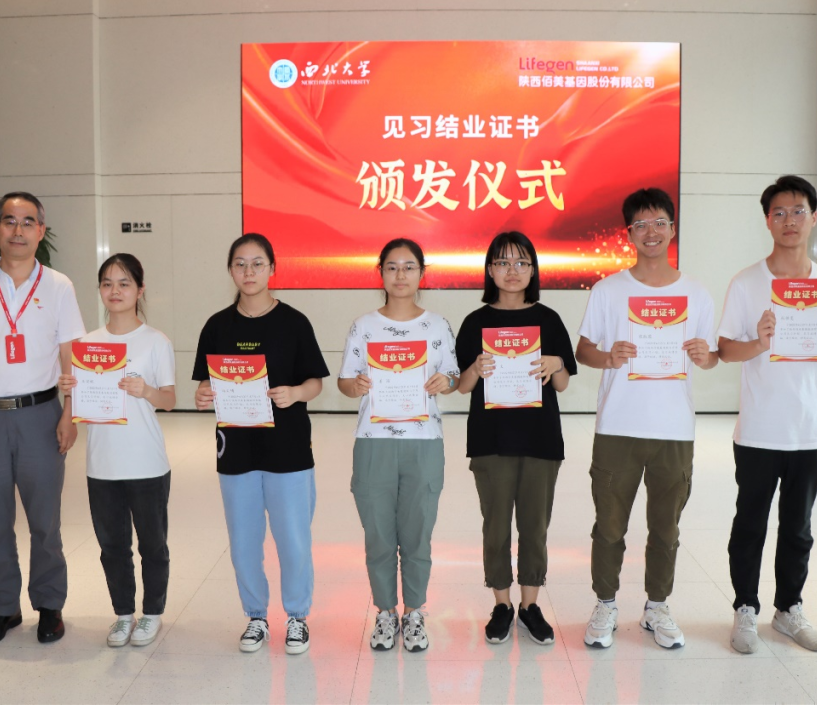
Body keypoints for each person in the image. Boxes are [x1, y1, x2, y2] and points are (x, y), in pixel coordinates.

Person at [718, 175, 817, 654]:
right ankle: (745, 608)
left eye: (798, 211)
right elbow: (725, 350)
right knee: (750, 524)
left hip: (810, 429)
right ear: (767, 221)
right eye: (779, 212)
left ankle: (788, 609)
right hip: (759, 428)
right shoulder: (747, 282)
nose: (789, 220)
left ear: (813, 217)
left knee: (798, 528)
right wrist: (760, 341)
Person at [575, 187, 718, 649]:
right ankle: (605, 604)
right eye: (641, 224)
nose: (651, 232)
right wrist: (608, 357)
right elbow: (583, 350)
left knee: (666, 528)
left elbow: (711, 356)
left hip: (674, 429)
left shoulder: (696, 292)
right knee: (609, 526)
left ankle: (657, 606)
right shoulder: (608, 290)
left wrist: (706, 356)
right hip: (617, 426)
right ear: (629, 233)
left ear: (672, 229)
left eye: (659, 223)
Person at [0, 192, 86, 646]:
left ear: (40, 231)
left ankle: (50, 604)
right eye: (10, 221)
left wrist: (70, 413)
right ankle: (2, 609)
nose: (18, 230)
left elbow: (70, 354)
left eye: (28, 222)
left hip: (41, 415)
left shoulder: (58, 286)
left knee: (45, 521)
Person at [193, 233, 329, 655]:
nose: (248, 271)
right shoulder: (217, 326)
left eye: (257, 263)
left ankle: (297, 616)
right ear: (230, 270)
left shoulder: (294, 322)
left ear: (272, 268)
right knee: (244, 542)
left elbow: (316, 382)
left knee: (293, 539)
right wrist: (203, 394)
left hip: (288, 450)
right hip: (236, 451)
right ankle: (255, 615)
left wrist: (296, 393)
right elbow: (205, 383)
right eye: (240, 263)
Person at [338, 238, 460, 653]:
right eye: (392, 267)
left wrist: (446, 381)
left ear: (422, 273)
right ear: (381, 274)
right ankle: (386, 612)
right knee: (378, 533)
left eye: (409, 267)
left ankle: (415, 612)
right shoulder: (363, 326)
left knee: (417, 533)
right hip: (373, 442)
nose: (400, 275)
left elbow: (453, 377)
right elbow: (345, 381)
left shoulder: (438, 326)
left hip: (423, 442)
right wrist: (355, 386)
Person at [455, 231, 576, 646]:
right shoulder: (475, 322)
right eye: (503, 262)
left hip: (540, 439)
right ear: (490, 270)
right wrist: (476, 368)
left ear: (533, 270)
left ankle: (530, 605)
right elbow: (462, 386)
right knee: (495, 527)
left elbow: (562, 384)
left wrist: (556, 362)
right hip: (490, 440)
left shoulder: (549, 319)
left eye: (521, 262)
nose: (512, 270)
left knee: (534, 526)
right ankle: (502, 604)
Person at [57, 254, 175, 648]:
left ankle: (152, 613)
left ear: (140, 290)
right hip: (102, 463)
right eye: (107, 283)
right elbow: (82, 403)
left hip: (146, 461)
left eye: (124, 283)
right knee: (112, 547)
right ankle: (124, 614)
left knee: (152, 544)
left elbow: (170, 400)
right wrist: (70, 390)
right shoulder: (86, 344)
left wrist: (147, 391)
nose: (115, 291)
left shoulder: (156, 341)